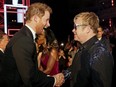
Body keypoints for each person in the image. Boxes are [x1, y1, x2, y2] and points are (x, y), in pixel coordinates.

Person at [1, 2, 64, 87]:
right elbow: (29, 76)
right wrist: (54, 80)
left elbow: (31, 71)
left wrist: (50, 78)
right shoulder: (24, 40)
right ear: (36, 19)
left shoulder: (25, 37)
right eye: (46, 20)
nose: (48, 24)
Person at [65, 12, 114, 87]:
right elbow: (75, 69)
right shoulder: (83, 48)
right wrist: (62, 76)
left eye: (75, 27)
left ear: (87, 29)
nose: (73, 30)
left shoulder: (100, 53)